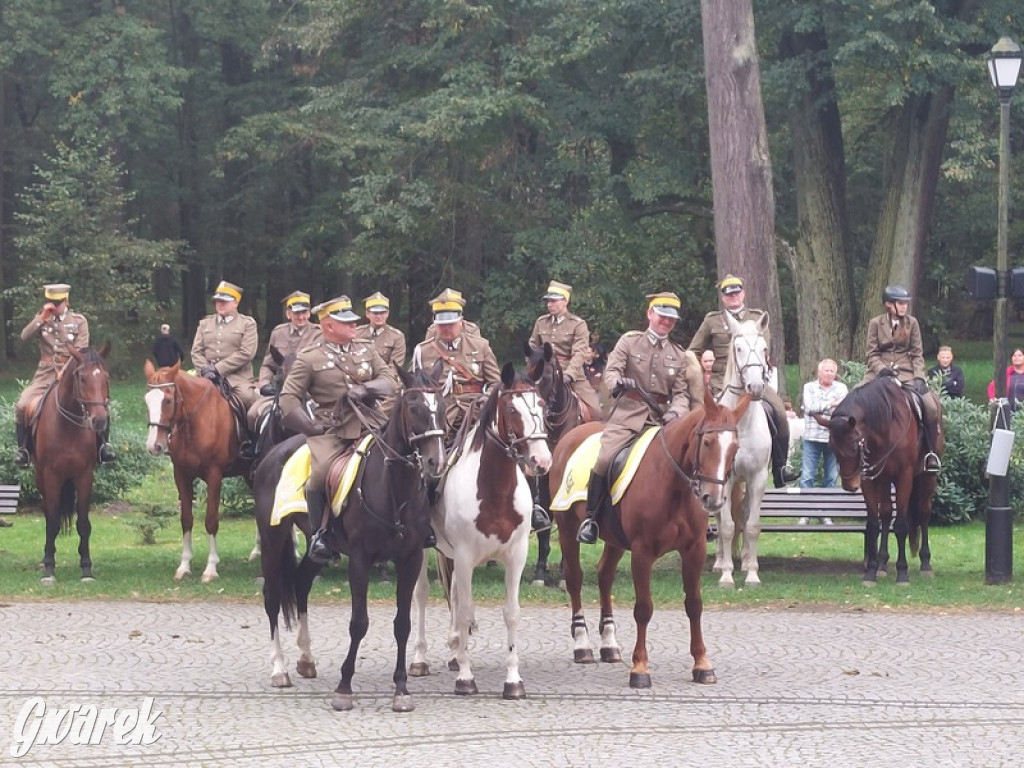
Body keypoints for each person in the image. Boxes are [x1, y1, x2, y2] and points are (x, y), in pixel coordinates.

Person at [278, 295, 399, 563]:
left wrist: (366, 388)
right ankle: (321, 534)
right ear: (328, 326)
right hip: (331, 428)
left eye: (354, 321)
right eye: (346, 322)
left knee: (404, 458)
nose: (354, 325)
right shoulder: (310, 358)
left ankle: (415, 523)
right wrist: (310, 427)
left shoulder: (366, 349)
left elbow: (390, 380)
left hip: (372, 423)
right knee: (320, 474)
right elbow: (288, 398)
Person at [577, 292, 703, 544]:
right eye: (662, 316)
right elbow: (611, 371)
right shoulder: (630, 342)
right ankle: (591, 519)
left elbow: (680, 393)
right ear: (650, 314)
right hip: (628, 416)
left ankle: (695, 520)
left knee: (691, 461)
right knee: (604, 459)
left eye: (671, 319)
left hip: (661, 421)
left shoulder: (678, 354)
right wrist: (618, 383)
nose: (666, 322)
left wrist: (676, 412)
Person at [688, 274, 799, 486]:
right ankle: (694, 470)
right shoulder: (712, 320)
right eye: (728, 294)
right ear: (723, 297)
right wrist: (700, 377)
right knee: (696, 419)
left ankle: (779, 468)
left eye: (737, 292)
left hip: (753, 380)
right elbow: (693, 351)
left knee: (779, 414)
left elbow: (764, 350)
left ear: (743, 293)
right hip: (721, 384)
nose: (733, 297)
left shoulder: (757, 317)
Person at [15, 283, 115, 467]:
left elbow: (80, 350)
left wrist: (64, 369)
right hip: (45, 372)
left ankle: (103, 446)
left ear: (66, 301)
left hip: (74, 372)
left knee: (99, 404)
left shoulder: (78, 321)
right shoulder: (43, 319)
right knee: (23, 404)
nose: (54, 306)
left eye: (58, 302)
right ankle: (24, 449)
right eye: (50, 302)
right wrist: (41, 318)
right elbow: (24, 336)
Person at [864, 284, 942, 472]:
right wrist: (881, 369)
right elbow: (871, 353)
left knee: (930, 406)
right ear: (888, 304)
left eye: (906, 303)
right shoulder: (876, 323)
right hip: (878, 373)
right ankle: (859, 453)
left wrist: (919, 377)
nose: (904, 307)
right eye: (900, 303)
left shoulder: (912, 323)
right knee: (853, 401)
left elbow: (917, 353)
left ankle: (930, 453)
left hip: (906, 373)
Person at [410, 288, 500, 440]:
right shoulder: (422, 351)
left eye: (451, 324)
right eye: (442, 324)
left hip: (475, 410)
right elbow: (412, 385)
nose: (446, 328)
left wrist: (486, 398)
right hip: (440, 414)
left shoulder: (480, 346)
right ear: (435, 324)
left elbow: (496, 382)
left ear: (461, 321)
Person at [191, 280, 259, 459]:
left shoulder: (247, 324)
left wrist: (218, 369)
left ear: (236, 303)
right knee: (181, 398)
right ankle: (176, 441)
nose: (220, 305)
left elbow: (246, 353)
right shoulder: (205, 323)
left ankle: (250, 442)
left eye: (225, 301)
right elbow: (196, 351)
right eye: (217, 301)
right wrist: (205, 369)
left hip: (236, 378)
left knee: (249, 399)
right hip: (206, 376)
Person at [246, 291, 322, 430]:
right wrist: (264, 383)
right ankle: (252, 449)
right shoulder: (278, 332)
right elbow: (268, 365)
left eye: (304, 312)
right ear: (289, 314)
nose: (301, 317)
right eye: (297, 313)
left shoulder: (318, 334)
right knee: (252, 414)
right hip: (279, 390)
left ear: (309, 313)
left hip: (308, 391)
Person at [528, 280, 602, 417]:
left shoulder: (578, 324)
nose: (549, 304)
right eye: (548, 301)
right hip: (544, 373)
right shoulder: (541, 322)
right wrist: (533, 369)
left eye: (554, 301)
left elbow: (579, 353)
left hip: (570, 373)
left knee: (595, 411)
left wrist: (569, 374)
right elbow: (533, 347)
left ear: (565, 301)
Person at [798, 358, 849, 525]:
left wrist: (818, 408)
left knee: (831, 477)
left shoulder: (842, 388)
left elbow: (843, 409)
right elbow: (809, 406)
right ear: (819, 372)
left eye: (832, 371)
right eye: (826, 370)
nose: (829, 374)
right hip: (812, 438)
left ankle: (826, 513)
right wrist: (832, 404)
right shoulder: (809, 387)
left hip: (834, 439)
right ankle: (805, 513)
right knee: (807, 477)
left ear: (836, 373)